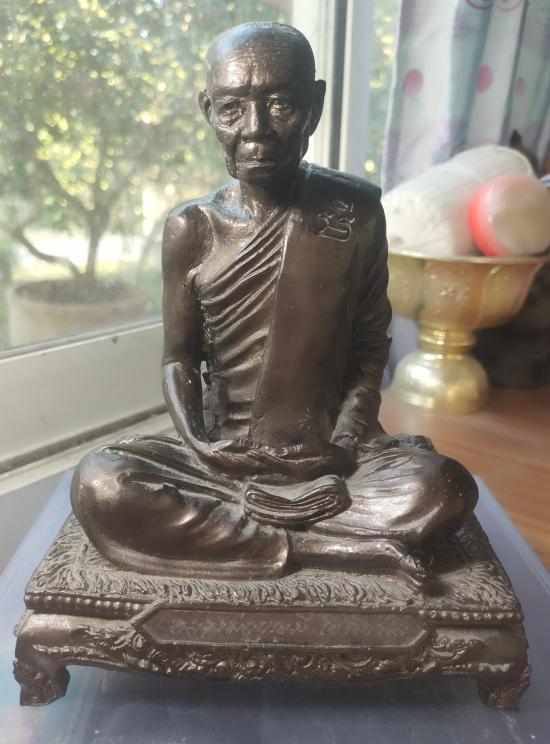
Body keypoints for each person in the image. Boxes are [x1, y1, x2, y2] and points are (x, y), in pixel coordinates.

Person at [71, 22, 477, 585]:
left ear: (315, 105)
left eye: (281, 104)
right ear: (208, 109)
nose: (256, 130)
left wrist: (342, 445)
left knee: (441, 487)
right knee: (102, 482)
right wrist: (202, 446)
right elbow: (179, 358)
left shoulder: (353, 213)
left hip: (331, 458)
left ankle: (247, 533)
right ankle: (330, 546)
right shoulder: (192, 228)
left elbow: (368, 350)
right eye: (232, 109)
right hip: (224, 460)